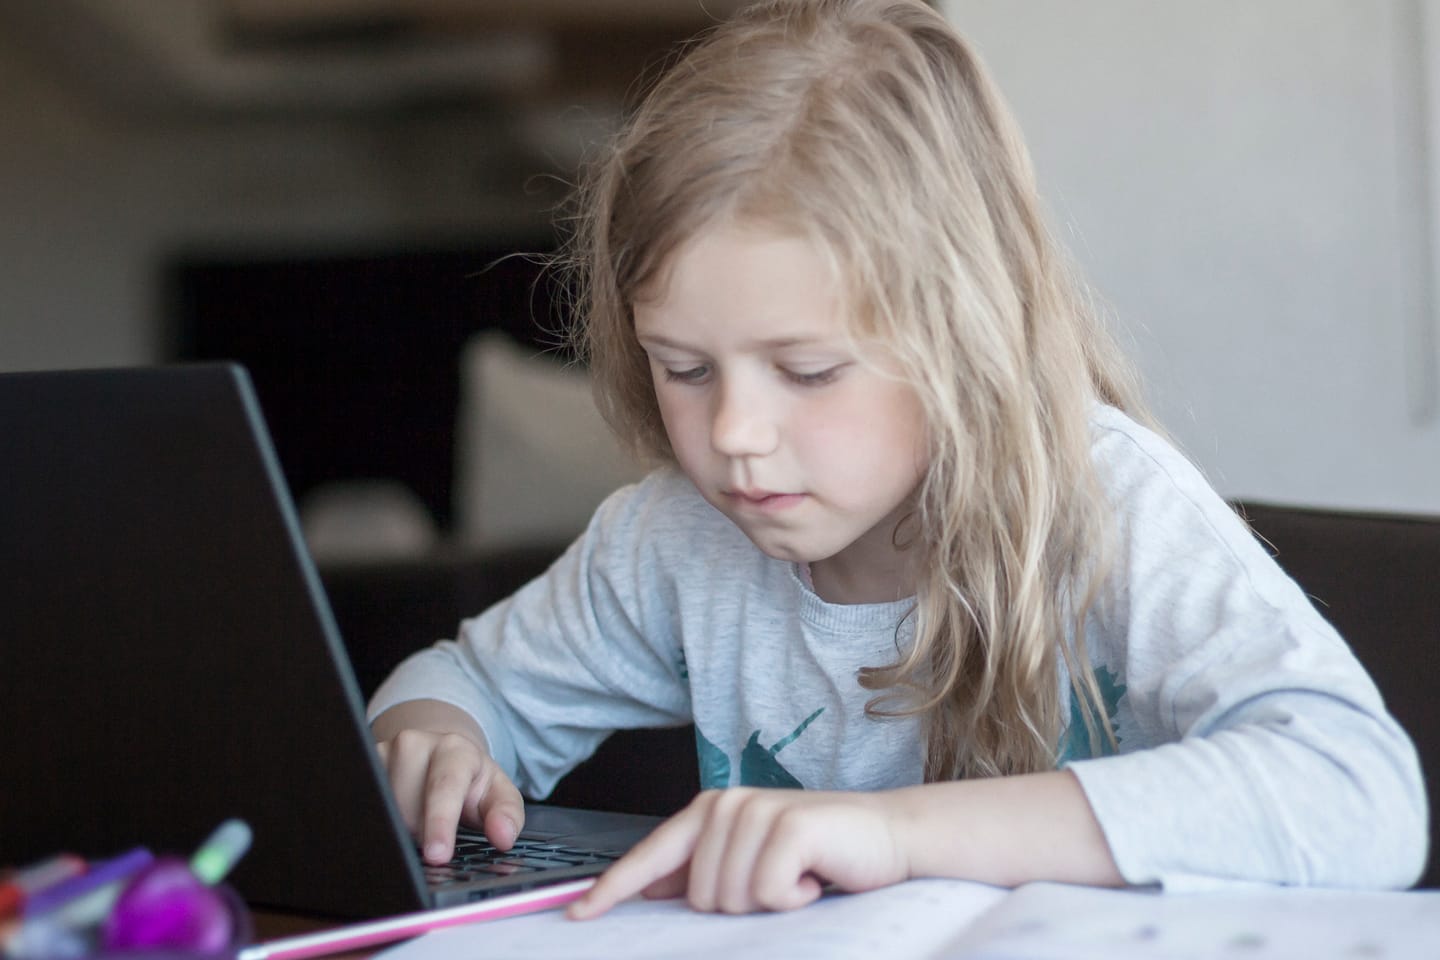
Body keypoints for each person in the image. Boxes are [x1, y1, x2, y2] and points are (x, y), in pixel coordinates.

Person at [367, 0, 1428, 918]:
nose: (734, 432)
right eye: (684, 368)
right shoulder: (675, 539)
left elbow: (1360, 795)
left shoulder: (1107, 506)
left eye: (810, 371)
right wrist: (432, 737)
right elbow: (463, 685)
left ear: (963, 340)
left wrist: (897, 835)